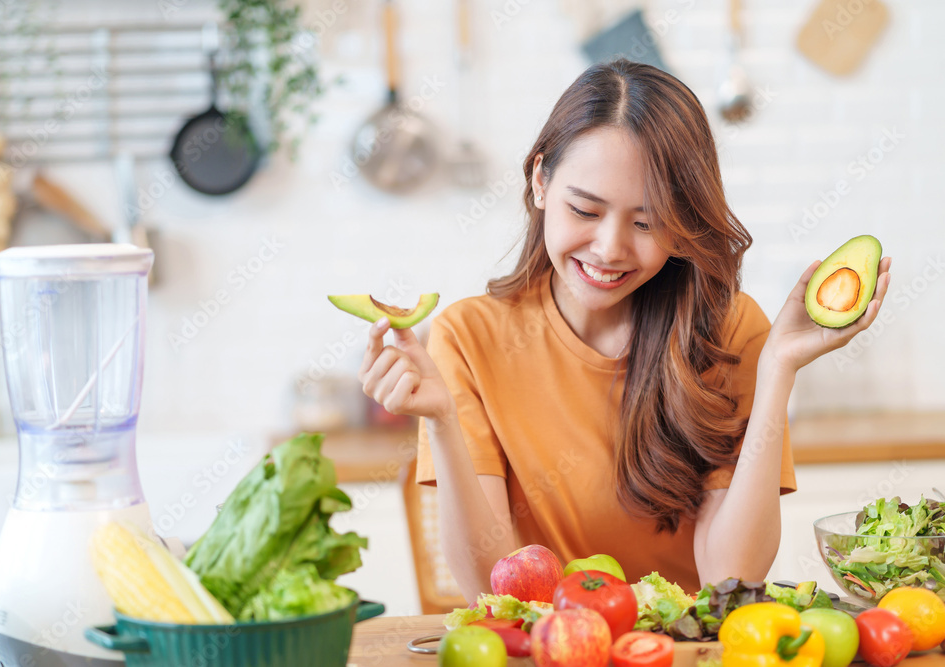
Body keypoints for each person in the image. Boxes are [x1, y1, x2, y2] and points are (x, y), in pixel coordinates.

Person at [357, 59, 890, 599]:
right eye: (585, 210)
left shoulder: (728, 334)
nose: (610, 248)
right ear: (541, 181)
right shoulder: (468, 338)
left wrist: (778, 369)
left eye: (646, 222)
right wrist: (443, 421)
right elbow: (493, 593)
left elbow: (732, 579)